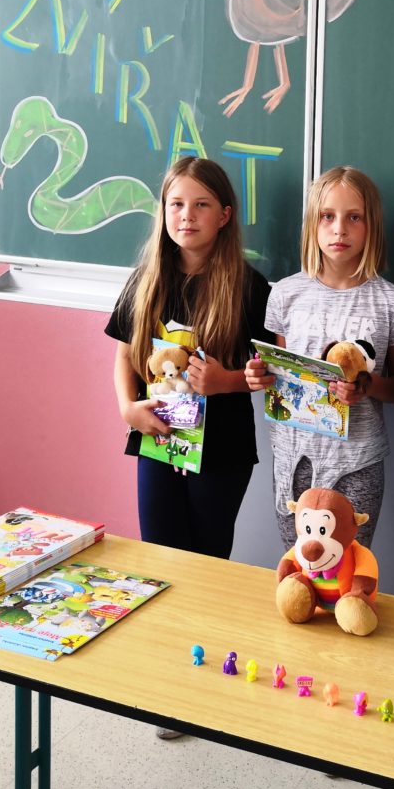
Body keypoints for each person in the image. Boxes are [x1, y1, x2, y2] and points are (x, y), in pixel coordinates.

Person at [105, 156, 272, 562]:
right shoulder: (146, 281)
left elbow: (268, 373)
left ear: (224, 216)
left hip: (222, 448)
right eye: (176, 204)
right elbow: (124, 354)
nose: (187, 215)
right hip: (158, 436)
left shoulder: (249, 288)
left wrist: (224, 381)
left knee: (207, 561)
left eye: (201, 205)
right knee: (160, 558)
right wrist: (127, 408)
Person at [244, 166, 394, 550]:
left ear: (372, 225)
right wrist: (260, 375)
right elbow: (281, 372)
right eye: (327, 216)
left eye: (354, 217)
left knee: (350, 562)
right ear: (313, 224)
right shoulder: (286, 294)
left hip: (357, 461)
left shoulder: (391, 302)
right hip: (294, 457)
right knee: (299, 564)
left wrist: (366, 386)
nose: (340, 229)